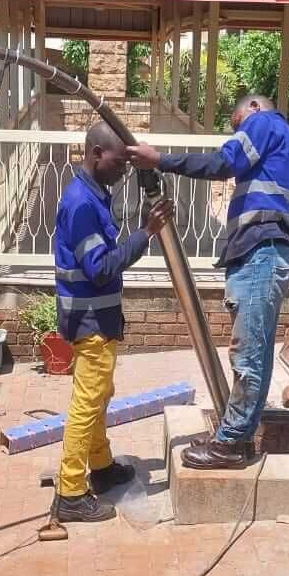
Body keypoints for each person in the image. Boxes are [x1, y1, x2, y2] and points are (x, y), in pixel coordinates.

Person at [127, 94, 289, 470]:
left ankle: (229, 444)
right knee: (253, 351)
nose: (237, 130)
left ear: (254, 108)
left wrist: (161, 159)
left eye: (236, 122)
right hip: (269, 251)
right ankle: (236, 436)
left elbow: (222, 162)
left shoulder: (263, 123)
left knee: (249, 355)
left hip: (263, 250)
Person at [54, 120, 173, 523]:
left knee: (100, 395)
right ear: (95, 155)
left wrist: (140, 228)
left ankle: (101, 467)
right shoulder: (82, 204)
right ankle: (70, 492)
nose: (123, 171)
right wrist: (146, 233)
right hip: (90, 321)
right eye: (119, 162)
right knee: (87, 405)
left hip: (95, 318)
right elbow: (101, 268)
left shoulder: (93, 194)